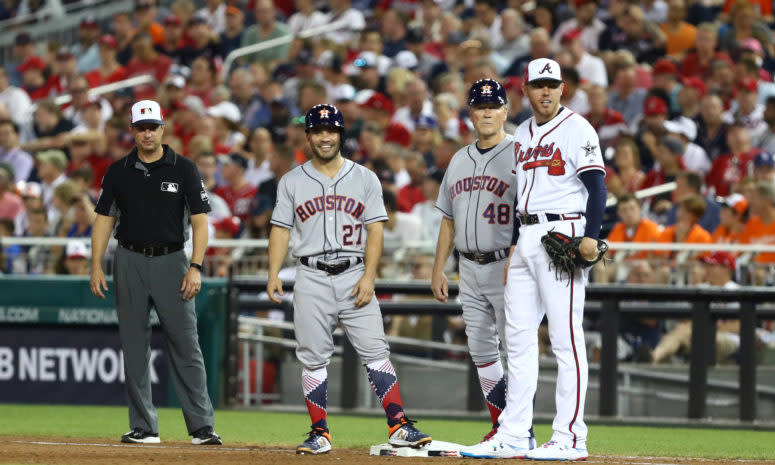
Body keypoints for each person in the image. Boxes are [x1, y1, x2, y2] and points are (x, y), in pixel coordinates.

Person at [266, 104, 431, 455]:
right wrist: (273, 273)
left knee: (375, 351)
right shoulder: (292, 181)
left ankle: (399, 426)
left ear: (341, 135)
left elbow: (376, 232)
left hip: (354, 272)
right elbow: (280, 230)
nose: (325, 137)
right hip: (310, 273)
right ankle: (320, 432)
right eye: (318, 131)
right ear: (308, 136)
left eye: (332, 130)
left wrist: (370, 277)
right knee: (312, 357)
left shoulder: (366, 178)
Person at [463, 59, 606, 461]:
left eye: (552, 85)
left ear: (562, 88)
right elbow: (517, 195)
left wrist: (591, 237)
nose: (545, 91)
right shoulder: (522, 131)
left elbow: (597, 186)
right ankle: (514, 433)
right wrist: (512, 247)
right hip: (525, 235)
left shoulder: (578, 128)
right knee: (519, 340)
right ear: (525, 90)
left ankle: (571, 436)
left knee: (565, 339)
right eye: (538, 85)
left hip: (564, 233)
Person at [89, 100, 222, 446]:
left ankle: (202, 427)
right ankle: (144, 427)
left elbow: (200, 221)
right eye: (141, 127)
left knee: (186, 344)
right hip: (129, 259)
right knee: (134, 346)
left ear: (163, 128)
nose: (147, 132)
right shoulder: (118, 170)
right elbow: (104, 219)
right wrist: (95, 265)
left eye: (153, 126)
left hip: (173, 260)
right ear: (132, 130)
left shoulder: (184, 168)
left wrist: (195, 266)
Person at [431, 79, 535, 445]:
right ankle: (501, 425)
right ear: (471, 114)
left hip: (506, 266)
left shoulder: (522, 153)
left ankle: (522, 430)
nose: (487, 112)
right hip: (468, 268)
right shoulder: (459, 159)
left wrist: (518, 256)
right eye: (479, 106)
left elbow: (532, 213)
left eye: (494, 106)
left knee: (516, 350)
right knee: (481, 348)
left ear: (506, 110)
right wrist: (438, 268)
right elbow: (448, 219)